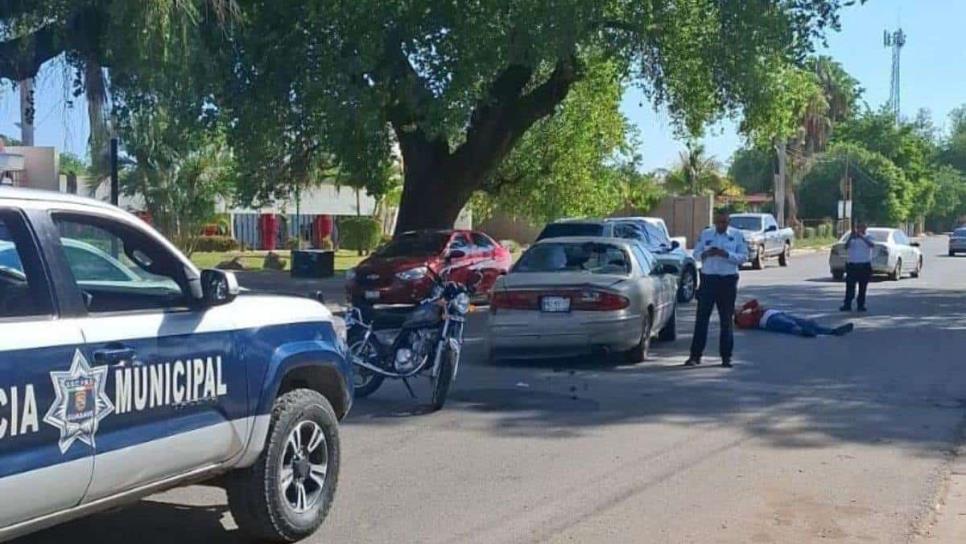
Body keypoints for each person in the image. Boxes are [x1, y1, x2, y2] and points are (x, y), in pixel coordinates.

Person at [686, 211, 748, 368]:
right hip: (708, 280)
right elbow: (696, 254)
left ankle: (726, 357)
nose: (721, 225)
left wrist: (726, 254)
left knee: (726, 320)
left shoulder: (736, 235)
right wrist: (707, 253)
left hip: (727, 281)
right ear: (715, 221)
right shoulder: (706, 234)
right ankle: (695, 356)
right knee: (701, 319)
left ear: (729, 221)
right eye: (719, 222)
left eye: (724, 222)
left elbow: (744, 257)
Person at [735, 299, 854, 337]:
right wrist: (752, 310)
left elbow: (755, 302)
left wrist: (744, 307)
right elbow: (750, 322)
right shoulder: (739, 320)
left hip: (776, 313)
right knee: (789, 325)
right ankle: (804, 332)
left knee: (803, 322)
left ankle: (833, 331)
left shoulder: (745, 310)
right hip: (768, 320)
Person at [841, 223, 874, 312]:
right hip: (852, 265)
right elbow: (846, 247)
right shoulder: (852, 238)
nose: (860, 229)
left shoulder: (869, 237)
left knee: (862, 287)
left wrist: (861, 237)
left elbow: (871, 245)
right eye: (859, 227)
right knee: (850, 286)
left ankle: (861, 305)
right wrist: (851, 237)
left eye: (862, 227)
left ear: (865, 228)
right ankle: (847, 304)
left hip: (864, 265)